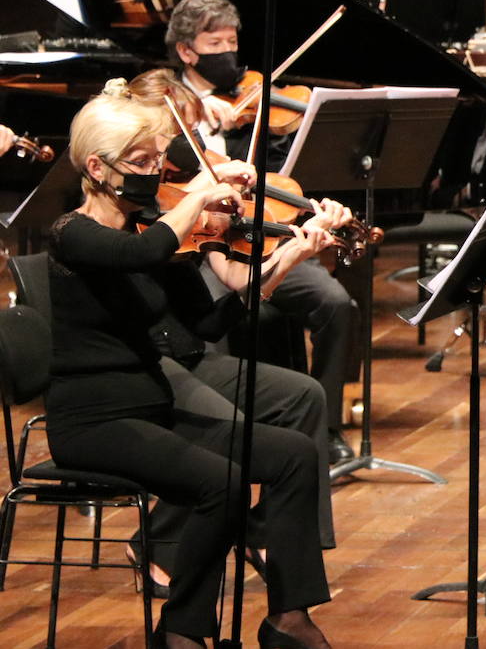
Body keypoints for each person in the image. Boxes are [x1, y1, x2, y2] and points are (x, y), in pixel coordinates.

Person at [46, 91, 333, 648]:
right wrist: (200, 194)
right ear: (98, 169)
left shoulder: (150, 230)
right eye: (143, 162)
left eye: (158, 160)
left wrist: (290, 257)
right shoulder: (73, 234)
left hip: (151, 407)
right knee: (222, 486)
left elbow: (207, 321)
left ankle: (289, 619)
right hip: (92, 421)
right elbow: (140, 255)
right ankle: (180, 631)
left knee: (293, 454)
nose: (156, 173)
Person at [164, 0, 362, 464]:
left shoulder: (257, 99)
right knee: (217, 311)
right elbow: (153, 161)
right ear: (188, 51)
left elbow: (277, 174)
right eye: (215, 43)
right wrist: (196, 123)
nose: (228, 53)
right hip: (202, 242)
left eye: (233, 41)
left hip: (258, 231)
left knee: (336, 303)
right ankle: (222, 438)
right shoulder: (163, 98)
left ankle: (327, 423)